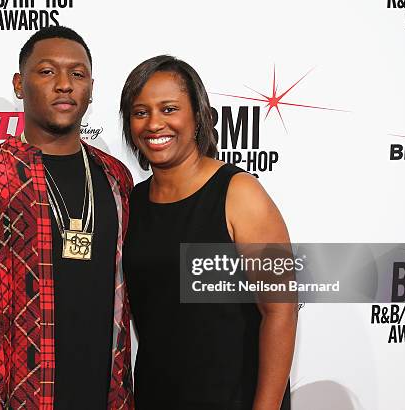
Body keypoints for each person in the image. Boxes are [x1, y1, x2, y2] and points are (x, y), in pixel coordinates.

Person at [0, 26, 133, 409]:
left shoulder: (115, 178)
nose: (64, 84)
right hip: (21, 400)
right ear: (19, 84)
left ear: (91, 88)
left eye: (77, 74)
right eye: (47, 71)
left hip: (108, 396)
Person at [121, 55, 297, 409]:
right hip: (159, 396)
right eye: (141, 112)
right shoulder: (132, 202)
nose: (154, 123)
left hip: (236, 398)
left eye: (169, 109)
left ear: (198, 117)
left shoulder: (238, 192)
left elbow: (282, 310)